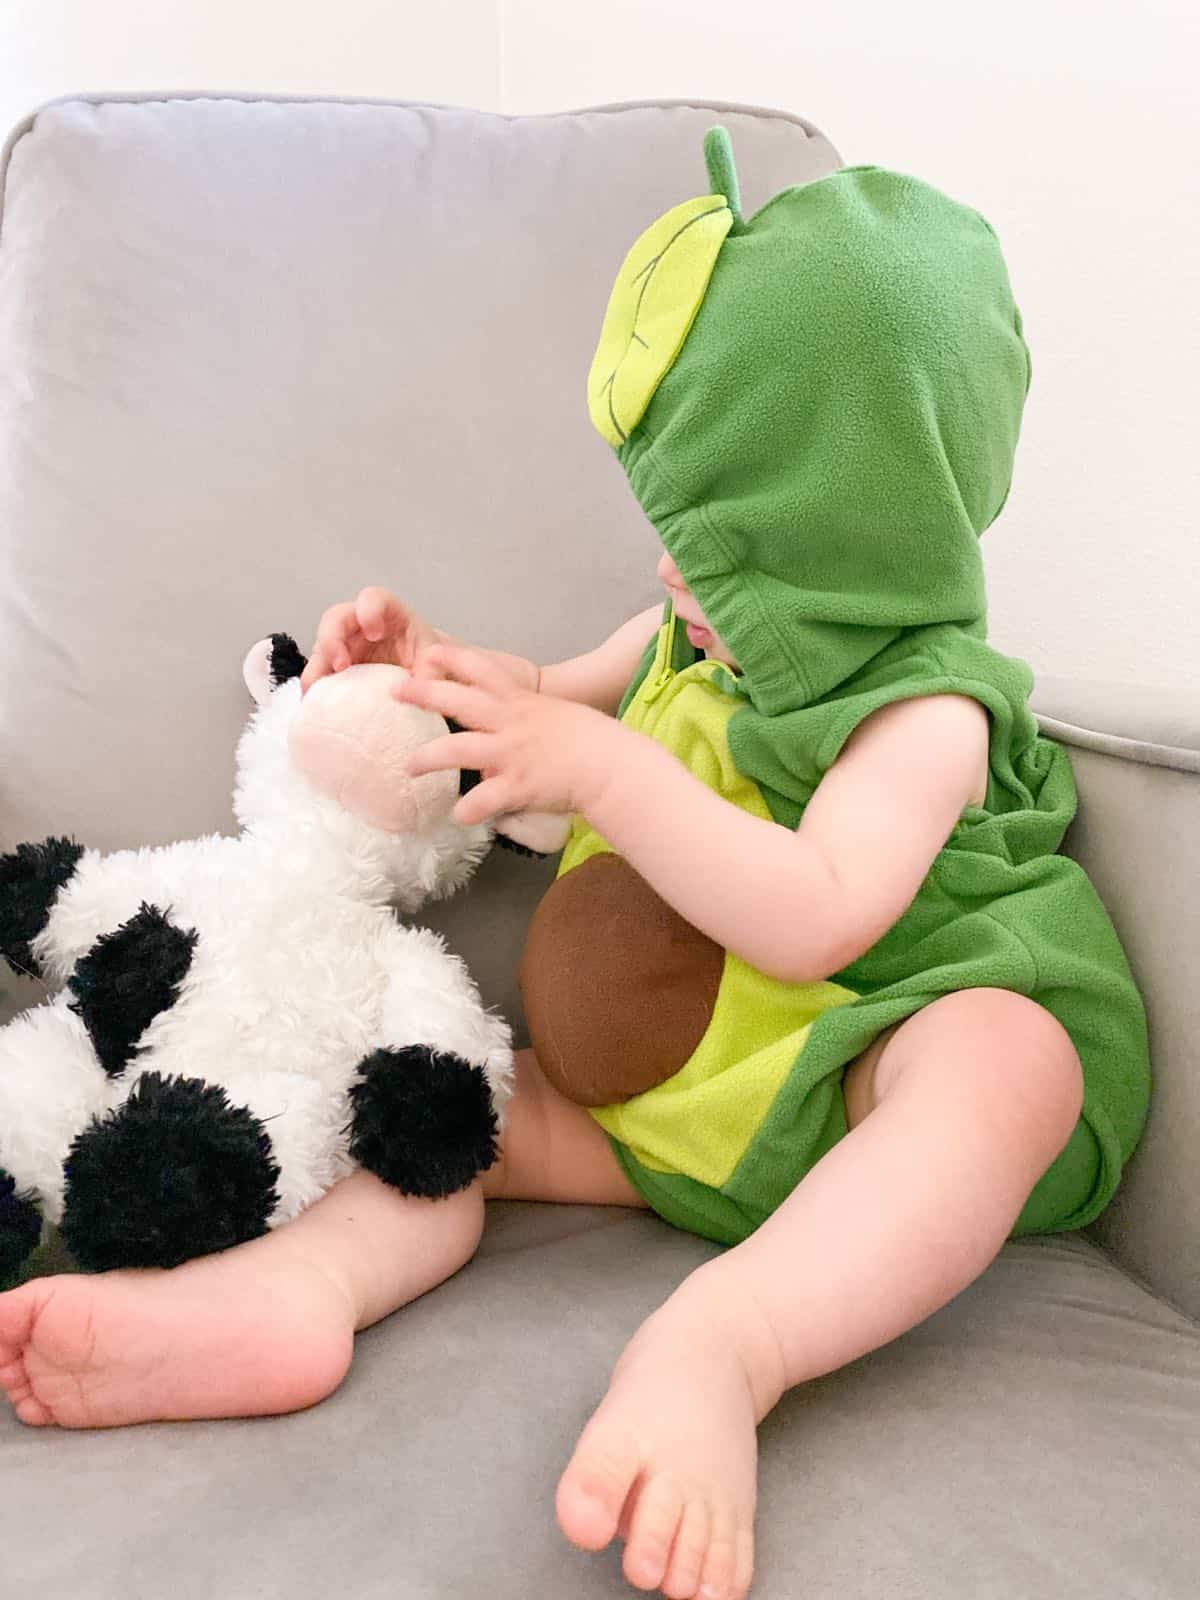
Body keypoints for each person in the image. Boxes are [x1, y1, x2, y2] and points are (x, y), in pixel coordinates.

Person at [0, 130, 1149, 1600]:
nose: (675, 575)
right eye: (677, 535)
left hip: (861, 1064)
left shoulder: (925, 710)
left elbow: (818, 916)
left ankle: (730, 1344)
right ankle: (298, 1295)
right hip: (686, 1104)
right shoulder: (682, 624)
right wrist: (437, 675)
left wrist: (610, 769)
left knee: (1008, 1060)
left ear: (854, 532)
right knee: (446, 1110)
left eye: (725, 543)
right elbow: (545, 692)